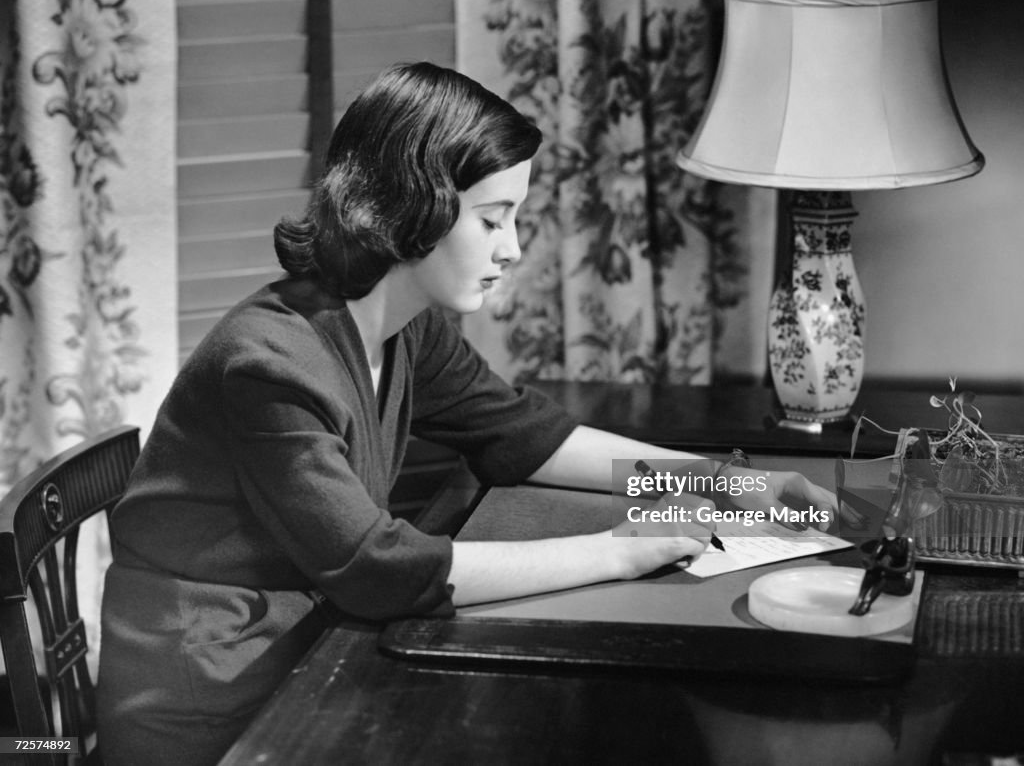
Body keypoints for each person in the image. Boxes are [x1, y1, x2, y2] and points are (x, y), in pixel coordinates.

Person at [96, 62, 837, 765]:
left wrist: (726, 486)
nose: (512, 248)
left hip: (302, 647)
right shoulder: (269, 365)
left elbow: (521, 434)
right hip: (216, 703)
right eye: (492, 219)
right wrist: (623, 548)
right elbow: (377, 569)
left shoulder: (402, 324)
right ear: (413, 204)